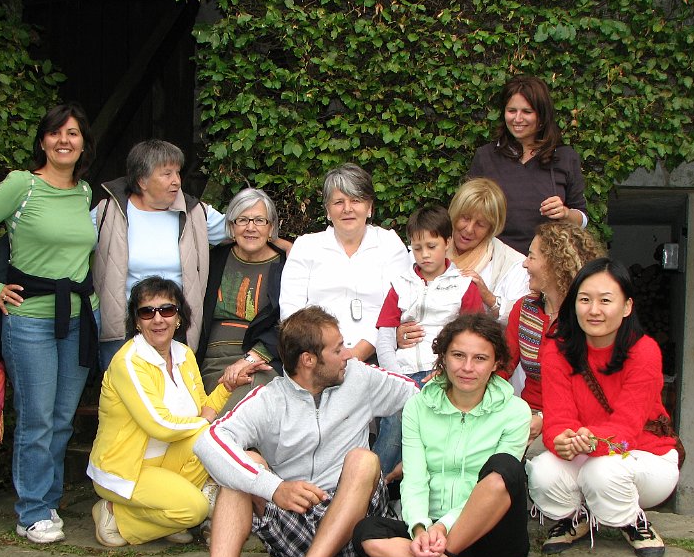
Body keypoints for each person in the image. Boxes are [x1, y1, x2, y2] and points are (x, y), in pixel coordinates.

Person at [163, 306, 419, 557]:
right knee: (244, 467)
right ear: (309, 360)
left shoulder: (360, 377)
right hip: (293, 531)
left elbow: (423, 400)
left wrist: (417, 461)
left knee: (363, 458)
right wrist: (274, 487)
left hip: (357, 530)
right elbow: (209, 441)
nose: (348, 354)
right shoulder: (269, 399)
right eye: (338, 348)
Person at [0, 103, 99, 544]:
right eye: (56, 133)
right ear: (43, 141)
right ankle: (31, 511)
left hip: (79, 317)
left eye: (73, 134)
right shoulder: (22, 185)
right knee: (36, 417)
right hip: (31, 320)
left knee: (60, 417)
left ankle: (49, 501)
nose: (64, 141)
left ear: (82, 144)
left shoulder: (84, 193)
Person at [353, 314, 546, 557]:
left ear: (496, 363)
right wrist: (419, 527)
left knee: (505, 467)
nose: (467, 368)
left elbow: (496, 485)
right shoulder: (419, 405)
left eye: (480, 358)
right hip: (429, 533)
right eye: (458, 355)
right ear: (443, 357)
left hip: (492, 538)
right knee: (366, 531)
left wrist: (444, 527)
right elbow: (415, 477)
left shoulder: (515, 411)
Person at [527, 258, 680, 557]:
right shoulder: (557, 351)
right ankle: (578, 517)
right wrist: (560, 439)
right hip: (589, 450)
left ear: (626, 307)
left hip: (647, 455)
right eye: (584, 300)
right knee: (543, 472)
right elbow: (558, 420)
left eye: (605, 300)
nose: (593, 310)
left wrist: (588, 440)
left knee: (603, 471)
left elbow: (626, 433)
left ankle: (631, 519)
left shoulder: (644, 350)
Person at [86, 277, 255, 547]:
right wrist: (205, 424)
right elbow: (160, 425)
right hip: (128, 469)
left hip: (169, 459)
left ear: (178, 317)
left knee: (211, 440)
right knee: (195, 510)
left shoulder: (184, 354)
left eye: (167, 310)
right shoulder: (129, 362)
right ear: (137, 321)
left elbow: (203, 409)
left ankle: (163, 515)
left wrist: (228, 386)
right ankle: (112, 513)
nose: (158, 319)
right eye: (147, 312)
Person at [93, 140, 233, 370]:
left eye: (177, 172)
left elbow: (241, 229)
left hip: (176, 328)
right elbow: (70, 241)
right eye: (167, 174)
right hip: (123, 327)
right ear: (142, 181)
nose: (176, 181)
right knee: (123, 398)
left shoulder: (194, 212)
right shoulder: (110, 211)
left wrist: (280, 243)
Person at [372, 204, 483, 475]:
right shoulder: (400, 284)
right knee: (396, 417)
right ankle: (372, 485)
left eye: (431, 246)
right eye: (417, 248)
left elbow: (475, 338)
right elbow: (384, 337)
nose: (424, 255)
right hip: (403, 372)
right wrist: (396, 377)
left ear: (447, 243)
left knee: (433, 429)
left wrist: (447, 370)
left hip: (444, 374)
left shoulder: (464, 287)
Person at [279, 163, 409, 362]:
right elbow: (291, 313)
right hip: (315, 356)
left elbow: (396, 307)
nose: (347, 209)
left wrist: (355, 355)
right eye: (338, 202)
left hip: (377, 355)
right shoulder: (306, 246)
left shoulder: (389, 244)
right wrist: (326, 354)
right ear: (328, 210)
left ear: (369, 207)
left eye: (356, 200)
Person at [395, 178, 530, 361]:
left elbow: (524, 319)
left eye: (480, 224)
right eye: (465, 218)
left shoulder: (512, 264)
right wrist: (397, 332)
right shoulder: (422, 250)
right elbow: (395, 300)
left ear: (492, 228)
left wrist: (490, 299)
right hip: (415, 360)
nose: (469, 229)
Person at [501, 222, 605, 456]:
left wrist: (545, 420)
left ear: (555, 263)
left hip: (578, 424)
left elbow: (595, 389)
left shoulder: (590, 317)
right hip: (525, 418)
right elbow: (501, 367)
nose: (524, 263)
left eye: (531, 256)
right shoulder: (524, 309)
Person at [467, 75, 588, 255]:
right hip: (494, 262)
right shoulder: (485, 157)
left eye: (527, 112)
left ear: (542, 115)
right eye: (511, 110)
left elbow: (582, 217)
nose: (517, 118)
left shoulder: (564, 157)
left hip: (547, 261)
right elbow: (466, 212)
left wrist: (565, 214)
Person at [196, 188, 286, 414]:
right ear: (232, 226)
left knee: (243, 409)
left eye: (259, 220)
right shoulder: (214, 259)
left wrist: (250, 359)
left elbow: (288, 324)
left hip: (261, 361)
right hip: (211, 362)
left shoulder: (286, 266)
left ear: (271, 227)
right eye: (243, 220)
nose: (251, 227)